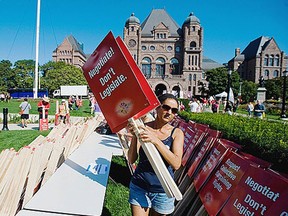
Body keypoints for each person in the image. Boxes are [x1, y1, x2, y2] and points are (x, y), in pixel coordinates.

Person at [127, 93, 184, 216]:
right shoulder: (144, 128)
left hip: (163, 190)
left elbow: (176, 164)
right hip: (140, 185)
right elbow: (131, 159)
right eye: (166, 107)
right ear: (157, 107)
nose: (169, 112)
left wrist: (156, 141)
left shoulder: (176, 133)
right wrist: (135, 136)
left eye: (174, 110)